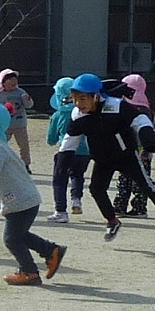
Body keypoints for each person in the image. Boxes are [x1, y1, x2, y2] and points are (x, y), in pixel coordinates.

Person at [66, 73, 155, 241]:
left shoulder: (117, 106)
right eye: (75, 99)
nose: (77, 103)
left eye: (82, 99)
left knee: (144, 183)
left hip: (125, 155)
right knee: (96, 189)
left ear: (96, 96)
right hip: (102, 159)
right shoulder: (78, 115)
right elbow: (70, 139)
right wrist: (63, 158)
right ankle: (112, 221)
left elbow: (140, 119)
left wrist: (147, 136)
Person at [0, 102, 66, 286]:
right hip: (24, 200)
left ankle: (29, 272)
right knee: (19, 235)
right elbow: (0, 179)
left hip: (21, 201)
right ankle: (51, 250)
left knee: (11, 239)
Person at [45, 76, 90, 223]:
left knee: (59, 179)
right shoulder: (84, 111)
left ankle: (61, 211)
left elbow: (51, 139)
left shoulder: (59, 115)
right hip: (85, 152)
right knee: (77, 175)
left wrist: (53, 140)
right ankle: (76, 199)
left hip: (66, 151)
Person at [112, 73, 153, 218]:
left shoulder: (124, 108)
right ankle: (139, 207)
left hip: (128, 150)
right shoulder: (147, 111)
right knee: (140, 181)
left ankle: (120, 206)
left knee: (125, 180)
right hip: (145, 152)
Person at [0, 68, 34, 171]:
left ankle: (25, 164)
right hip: (5, 125)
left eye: (15, 79)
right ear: (2, 82)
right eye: (9, 79)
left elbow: (29, 105)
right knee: (1, 144)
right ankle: (0, 162)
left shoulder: (20, 92)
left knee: (23, 145)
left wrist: (27, 99)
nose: (13, 82)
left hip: (20, 124)